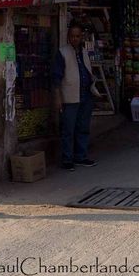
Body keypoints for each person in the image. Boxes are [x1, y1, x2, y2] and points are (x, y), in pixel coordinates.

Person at [52, 20, 98, 171]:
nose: (75, 39)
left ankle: (81, 156)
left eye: (77, 36)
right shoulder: (62, 52)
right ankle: (67, 159)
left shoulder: (84, 52)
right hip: (70, 96)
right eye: (72, 36)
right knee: (68, 129)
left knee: (83, 127)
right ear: (68, 37)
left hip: (85, 95)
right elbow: (56, 77)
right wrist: (58, 97)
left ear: (81, 37)